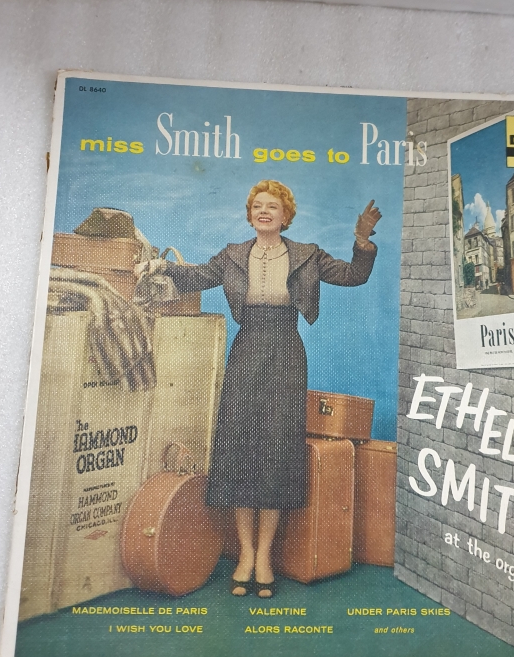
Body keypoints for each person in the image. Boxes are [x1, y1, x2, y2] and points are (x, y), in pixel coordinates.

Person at [136, 180, 380, 598]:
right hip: (246, 348)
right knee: (240, 449)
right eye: (258, 206)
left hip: (286, 350)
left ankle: (264, 556)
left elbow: (354, 276)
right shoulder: (232, 255)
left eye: (273, 207)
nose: (264, 212)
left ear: (286, 216)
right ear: (250, 215)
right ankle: (246, 555)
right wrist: (158, 267)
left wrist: (362, 240)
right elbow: (196, 277)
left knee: (276, 450)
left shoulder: (307, 255)